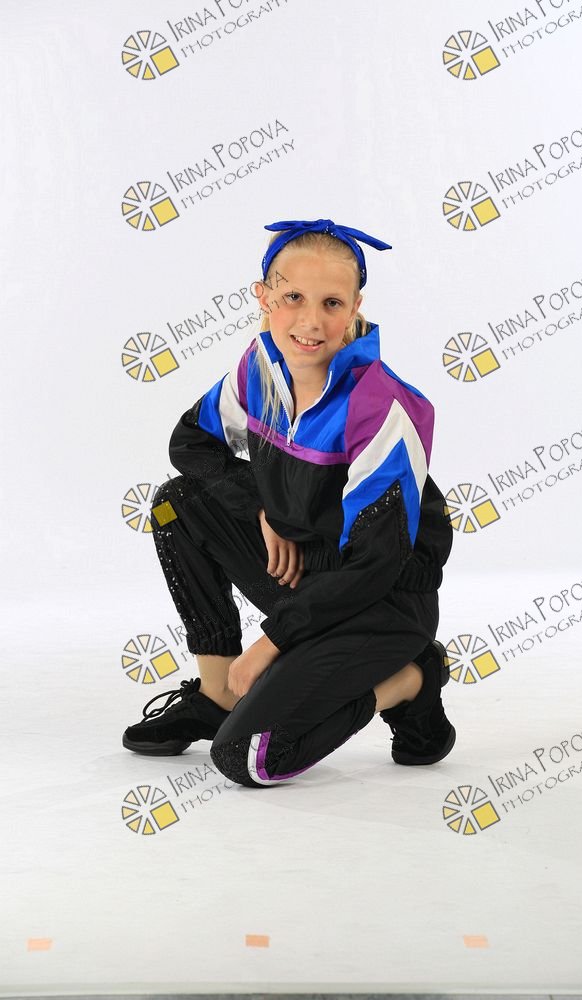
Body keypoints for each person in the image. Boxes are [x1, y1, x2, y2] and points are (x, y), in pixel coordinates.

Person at [122, 217, 456, 788]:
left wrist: (271, 641)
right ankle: (218, 695)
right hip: (304, 571)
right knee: (178, 504)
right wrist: (261, 507)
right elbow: (191, 441)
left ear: (356, 307)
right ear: (264, 296)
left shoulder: (379, 408)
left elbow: (376, 565)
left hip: (380, 601)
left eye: (332, 303)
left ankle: (410, 680)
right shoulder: (260, 368)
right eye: (293, 297)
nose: (310, 321)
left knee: (247, 759)